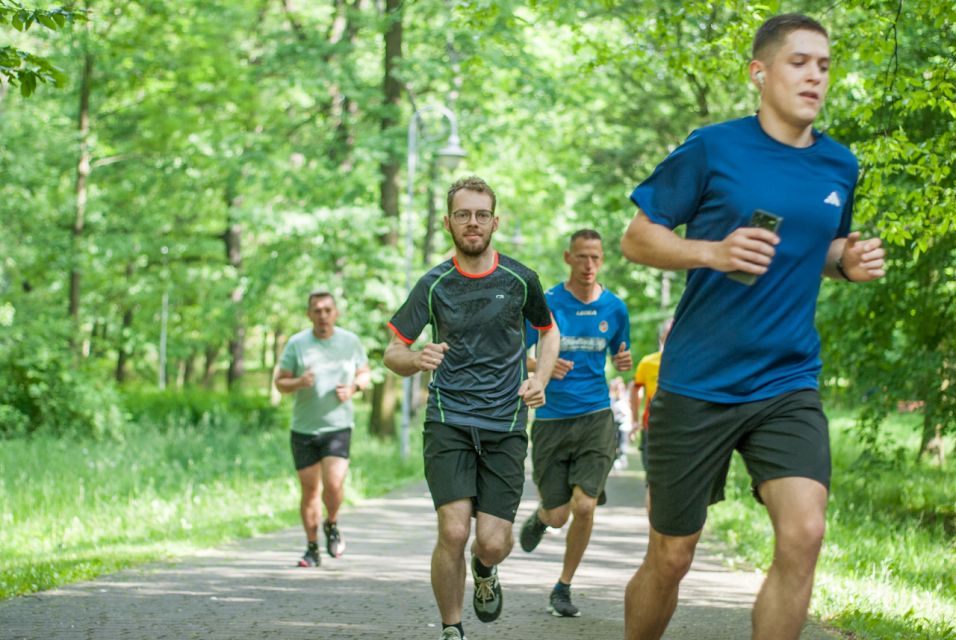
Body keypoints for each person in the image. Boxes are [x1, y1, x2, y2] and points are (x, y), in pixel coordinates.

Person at [620, 13, 886, 640]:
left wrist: (844, 262)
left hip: (786, 379)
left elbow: (817, 246)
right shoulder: (714, 147)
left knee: (805, 534)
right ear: (759, 73)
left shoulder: (839, 165)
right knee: (672, 555)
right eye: (799, 62)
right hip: (699, 381)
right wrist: (711, 251)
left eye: (824, 64)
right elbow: (636, 238)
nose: (815, 75)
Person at [383, 175, 560, 640]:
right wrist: (415, 358)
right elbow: (391, 352)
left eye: (481, 214)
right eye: (463, 215)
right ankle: (451, 628)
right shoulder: (434, 283)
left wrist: (538, 378)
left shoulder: (522, 280)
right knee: (454, 532)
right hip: (449, 420)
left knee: (492, 542)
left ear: (495, 221)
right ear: (448, 223)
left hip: (504, 423)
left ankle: (486, 570)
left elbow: (548, 331)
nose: (473, 223)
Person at [518, 229, 632, 618]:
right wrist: (542, 365)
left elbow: (620, 351)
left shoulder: (615, 308)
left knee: (584, 505)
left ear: (602, 260)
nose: (588, 266)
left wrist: (623, 362)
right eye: (581, 257)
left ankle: (563, 586)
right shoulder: (547, 303)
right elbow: (518, 354)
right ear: (568, 257)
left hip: (596, 416)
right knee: (559, 514)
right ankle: (541, 517)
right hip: (551, 419)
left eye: (595, 258)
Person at [274, 291, 371, 568]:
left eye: (328, 310)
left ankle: (332, 522)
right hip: (304, 429)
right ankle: (312, 548)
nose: (323, 315)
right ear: (309, 314)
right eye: (317, 310)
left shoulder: (350, 341)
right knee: (309, 491)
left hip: (338, 427)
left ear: (336, 313)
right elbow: (280, 382)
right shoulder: (297, 344)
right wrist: (299, 382)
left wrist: (354, 387)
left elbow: (365, 373)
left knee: (333, 483)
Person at [629, 318, 673, 473]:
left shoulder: (692, 362)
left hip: (684, 430)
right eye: (669, 335)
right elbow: (635, 389)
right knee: (653, 480)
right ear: (662, 337)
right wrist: (634, 420)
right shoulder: (648, 363)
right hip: (653, 428)